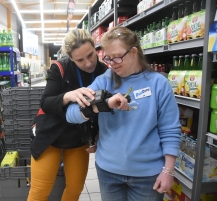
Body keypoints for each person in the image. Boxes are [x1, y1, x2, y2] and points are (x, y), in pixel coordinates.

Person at [66, 26, 181, 201]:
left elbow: (170, 130)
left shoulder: (159, 84)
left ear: (133, 52)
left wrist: (168, 170)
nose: (112, 63)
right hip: (108, 172)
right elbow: (72, 114)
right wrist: (102, 105)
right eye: (108, 58)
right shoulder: (103, 81)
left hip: (147, 176)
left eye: (117, 57)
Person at [27, 29, 108, 201]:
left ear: (95, 48)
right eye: (80, 60)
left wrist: (96, 137)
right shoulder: (60, 68)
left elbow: (103, 110)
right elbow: (45, 102)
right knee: (40, 192)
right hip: (50, 136)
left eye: (91, 55)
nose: (88, 63)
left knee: (74, 190)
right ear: (71, 58)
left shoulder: (103, 71)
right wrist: (67, 96)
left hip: (78, 138)